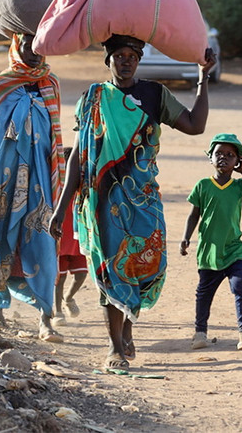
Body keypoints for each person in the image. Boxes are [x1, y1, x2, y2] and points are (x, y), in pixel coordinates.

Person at [49, 34, 217, 372]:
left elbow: (196, 126)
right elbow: (79, 158)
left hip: (143, 200)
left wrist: (202, 77)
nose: (126, 61)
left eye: (132, 56)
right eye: (119, 56)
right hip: (101, 203)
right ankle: (114, 348)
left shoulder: (155, 95)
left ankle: (127, 324)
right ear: (107, 60)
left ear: (139, 61)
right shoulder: (93, 98)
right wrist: (61, 206)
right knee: (110, 271)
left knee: (144, 267)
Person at [0, 33, 66, 343]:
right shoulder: (0, 86)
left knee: (43, 242)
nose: (34, 52)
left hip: (40, 179)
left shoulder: (51, 85)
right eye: (27, 44)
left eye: (40, 46)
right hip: (2, 179)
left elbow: (54, 138)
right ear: (15, 44)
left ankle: (46, 318)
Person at [179, 133, 242, 351]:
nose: (223, 158)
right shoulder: (202, 185)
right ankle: (200, 333)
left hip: (234, 249)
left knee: (241, 285)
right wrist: (185, 237)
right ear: (210, 158)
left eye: (230, 155)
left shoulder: (238, 186)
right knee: (204, 293)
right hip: (209, 251)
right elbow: (194, 215)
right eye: (218, 153)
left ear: (237, 161)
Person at [51, 147, 88, 327]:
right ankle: (57, 311)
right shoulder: (57, 191)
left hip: (78, 240)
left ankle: (69, 297)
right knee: (60, 278)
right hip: (61, 241)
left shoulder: (83, 191)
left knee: (81, 276)